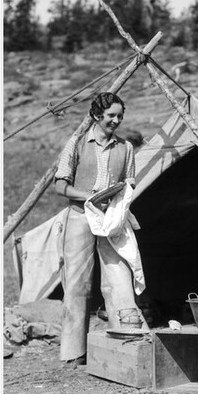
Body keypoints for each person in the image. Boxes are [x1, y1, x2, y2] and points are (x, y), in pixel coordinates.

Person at [54, 92, 143, 367]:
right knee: (77, 283)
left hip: (110, 218)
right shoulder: (77, 143)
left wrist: (115, 198)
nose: (116, 121)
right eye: (111, 116)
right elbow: (60, 186)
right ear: (96, 116)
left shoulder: (125, 148)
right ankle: (73, 352)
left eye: (120, 116)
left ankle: (125, 347)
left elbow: (130, 184)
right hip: (80, 214)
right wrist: (90, 196)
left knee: (117, 278)